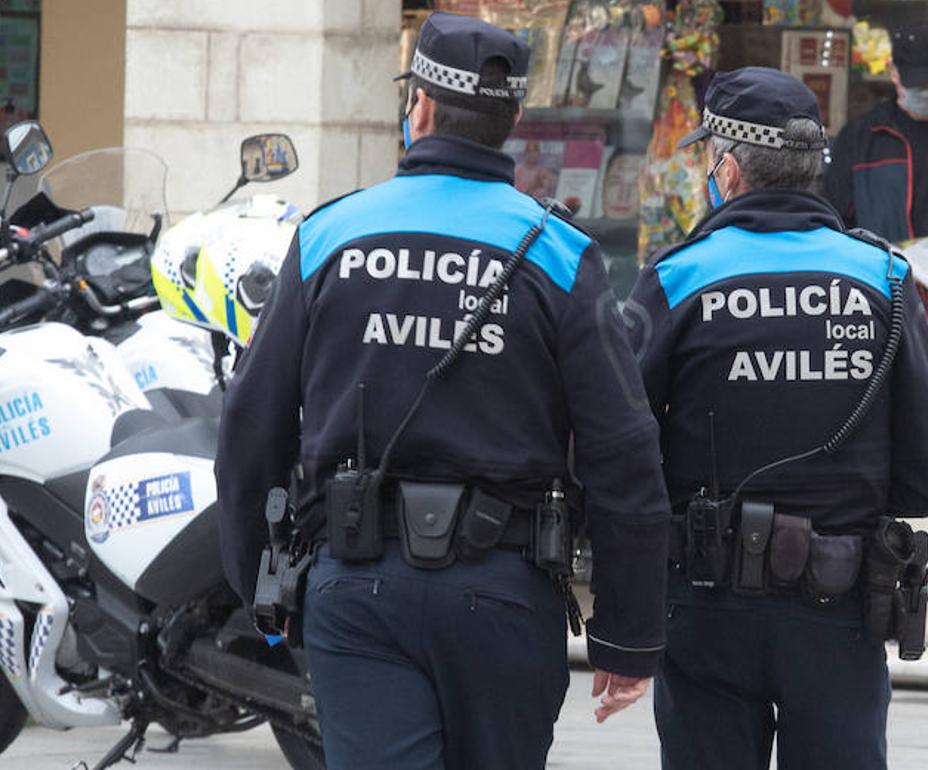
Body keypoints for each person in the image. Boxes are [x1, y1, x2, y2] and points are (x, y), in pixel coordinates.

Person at [216, 12, 671, 770]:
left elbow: (250, 429)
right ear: (512, 122)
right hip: (503, 595)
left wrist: (259, 585)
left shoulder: (329, 237)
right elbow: (622, 452)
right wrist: (627, 633)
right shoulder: (561, 253)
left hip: (356, 588)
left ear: (419, 106)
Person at [626, 66, 928, 769]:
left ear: (727, 169)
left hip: (706, 606)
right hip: (838, 607)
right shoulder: (883, 278)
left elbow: (617, 445)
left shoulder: (677, 277)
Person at [824, 22, 928, 243]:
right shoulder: (860, 138)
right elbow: (836, 223)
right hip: (882, 264)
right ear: (893, 72)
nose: (926, 94)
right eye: (917, 86)